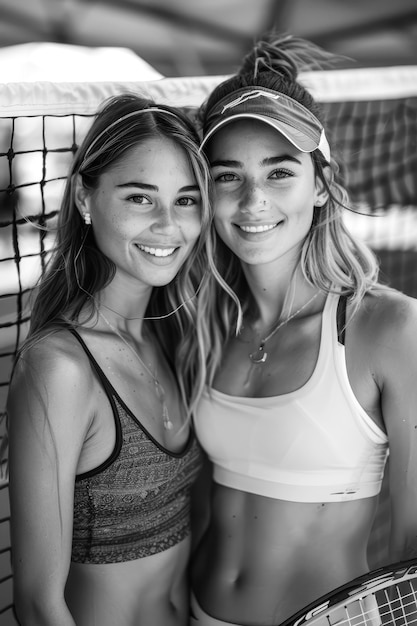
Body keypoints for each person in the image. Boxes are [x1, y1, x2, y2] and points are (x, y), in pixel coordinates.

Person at [190, 33, 417, 625]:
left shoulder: (388, 328)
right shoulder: (204, 323)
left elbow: (414, 544)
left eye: (279, 172)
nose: (253, 200)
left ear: (319, 186)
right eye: (227, 176)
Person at [7, 93, 216, 626]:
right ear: (84, 197)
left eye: (187, 200)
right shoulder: (60, 368)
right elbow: (38, 603)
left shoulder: (174, 338)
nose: (169, 225)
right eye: (140, 198)